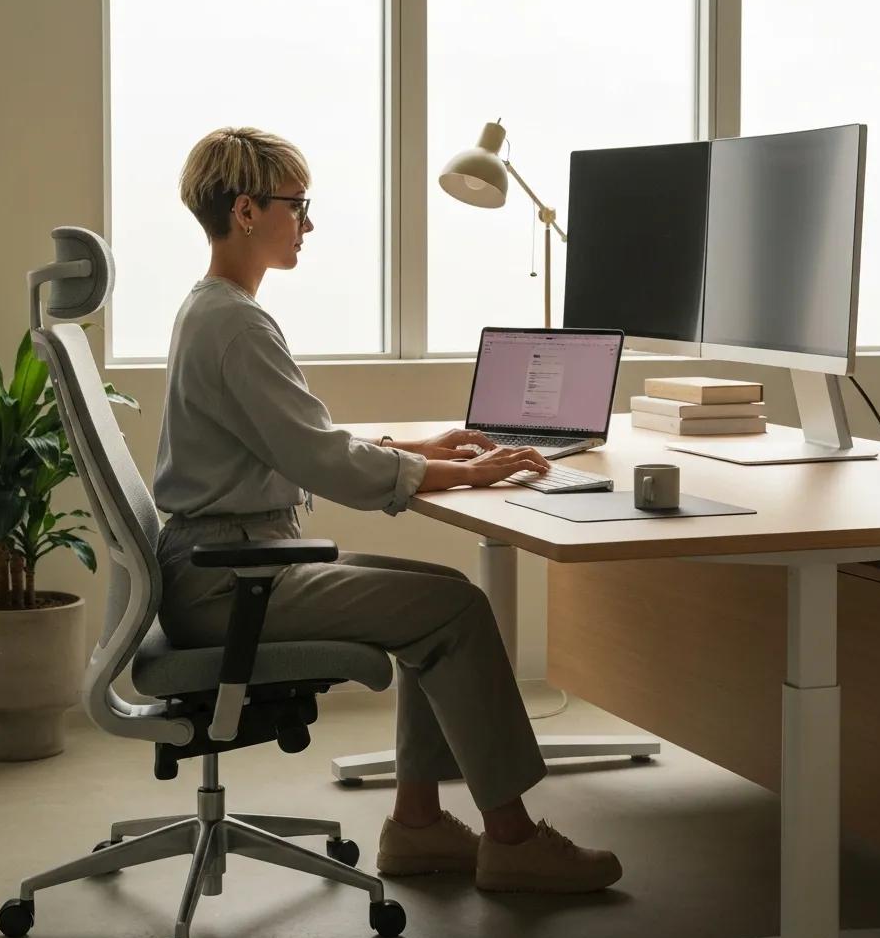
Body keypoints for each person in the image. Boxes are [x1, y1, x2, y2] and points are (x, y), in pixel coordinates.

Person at [153, 126, 621, 894]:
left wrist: (426, 444)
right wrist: (467, 474)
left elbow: (298, 438)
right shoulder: (234, 322)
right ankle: (511, 839)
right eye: (296, 206)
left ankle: (419, 826)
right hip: (231, 582)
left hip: (227, 566)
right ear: (246, 210)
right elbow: (323, 460)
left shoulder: (212, 310)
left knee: (431, 604)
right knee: (454, 609)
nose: (307, 223)